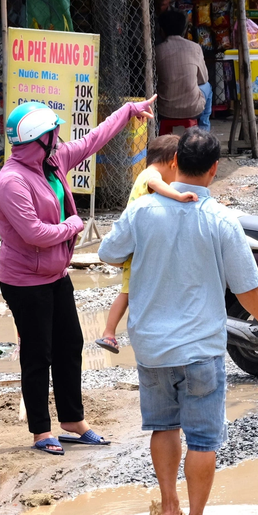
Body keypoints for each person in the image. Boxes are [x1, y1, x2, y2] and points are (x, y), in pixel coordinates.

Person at [98, 128, 258, 515]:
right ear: (214, 170)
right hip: (201, 347)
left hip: (152, 346)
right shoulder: (220, 219)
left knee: (163, 426)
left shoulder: (143, 210)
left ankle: (168, 508)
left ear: (175, 163)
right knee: (202, 438)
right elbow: (246, 285)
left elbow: (108, 253)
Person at [0, 96, 156, 455]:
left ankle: (72, 421)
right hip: (25, 282)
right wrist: (73, 226)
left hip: (55, 275)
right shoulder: (12, 181)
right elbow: (34, 233)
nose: (59, 136)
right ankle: (40, 430)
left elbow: (93, 140)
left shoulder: (51, 162)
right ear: (40, 138)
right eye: (54, 132)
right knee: (38, 355)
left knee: (69, 346)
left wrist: (128, 110)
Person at [94, 134, 200, 354]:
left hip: (133, 243)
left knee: (131, 292)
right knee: (127, 293)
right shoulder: (151, 175)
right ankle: (109, 333)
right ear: (174, 162)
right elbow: (156, 184)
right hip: (135, 248)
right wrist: (179, 196)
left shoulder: (144, 173)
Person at [156, 10, 213, 133]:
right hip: (192, 108)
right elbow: (203, 79)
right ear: (185, 29)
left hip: (164, 109)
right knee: (207, 86)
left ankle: (158, 132)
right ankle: (203, 133)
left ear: (161, 30)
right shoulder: (195, 47)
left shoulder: (157, 50)